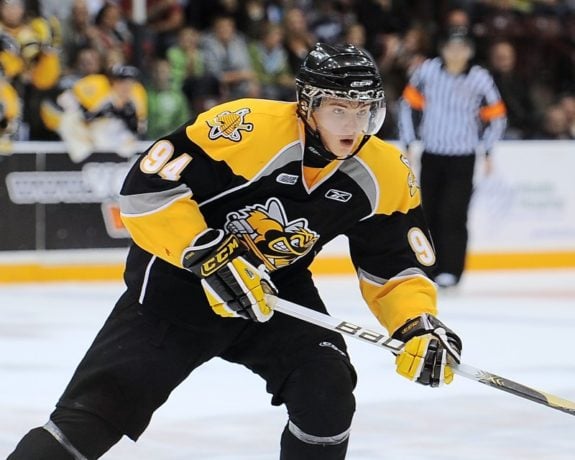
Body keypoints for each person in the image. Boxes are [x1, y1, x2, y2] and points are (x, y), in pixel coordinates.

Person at [9, 43, 462, 460]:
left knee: (327, 388)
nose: (353, 125)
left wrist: (417, 323)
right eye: (338, 109)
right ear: (307, 105)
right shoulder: (246, 128)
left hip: (273, 294)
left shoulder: (384, 172)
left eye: (363, 109)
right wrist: (204, 253)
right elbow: (146, 187)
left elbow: (395, 264)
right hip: (177, 288)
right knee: (88, 422)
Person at [399, 28, 507, 289]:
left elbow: (497, 116)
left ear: (469, 51)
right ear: (443, 49)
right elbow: (407, 105)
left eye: (461, 47)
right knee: (429, 212)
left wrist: (487, 149)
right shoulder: (427, 71)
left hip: (463, 156)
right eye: (451, 46)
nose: (456, 53)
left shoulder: (479, 77)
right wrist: (409, 142)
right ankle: (430, 267)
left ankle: (452, 270)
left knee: (454, 214)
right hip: (432, 154)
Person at [40, 63, 147, 163]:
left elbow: (140, 129)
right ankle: (84, 158)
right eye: (121, 82)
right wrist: (97, 114)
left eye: (129, 82)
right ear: (113, 81)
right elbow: (77, 112)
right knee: (70, 120)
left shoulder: (135, 100)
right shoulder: (100, 92)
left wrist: (128, 120)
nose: (125, 86)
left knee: (119, 132)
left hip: (116, 143)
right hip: (88, 137)